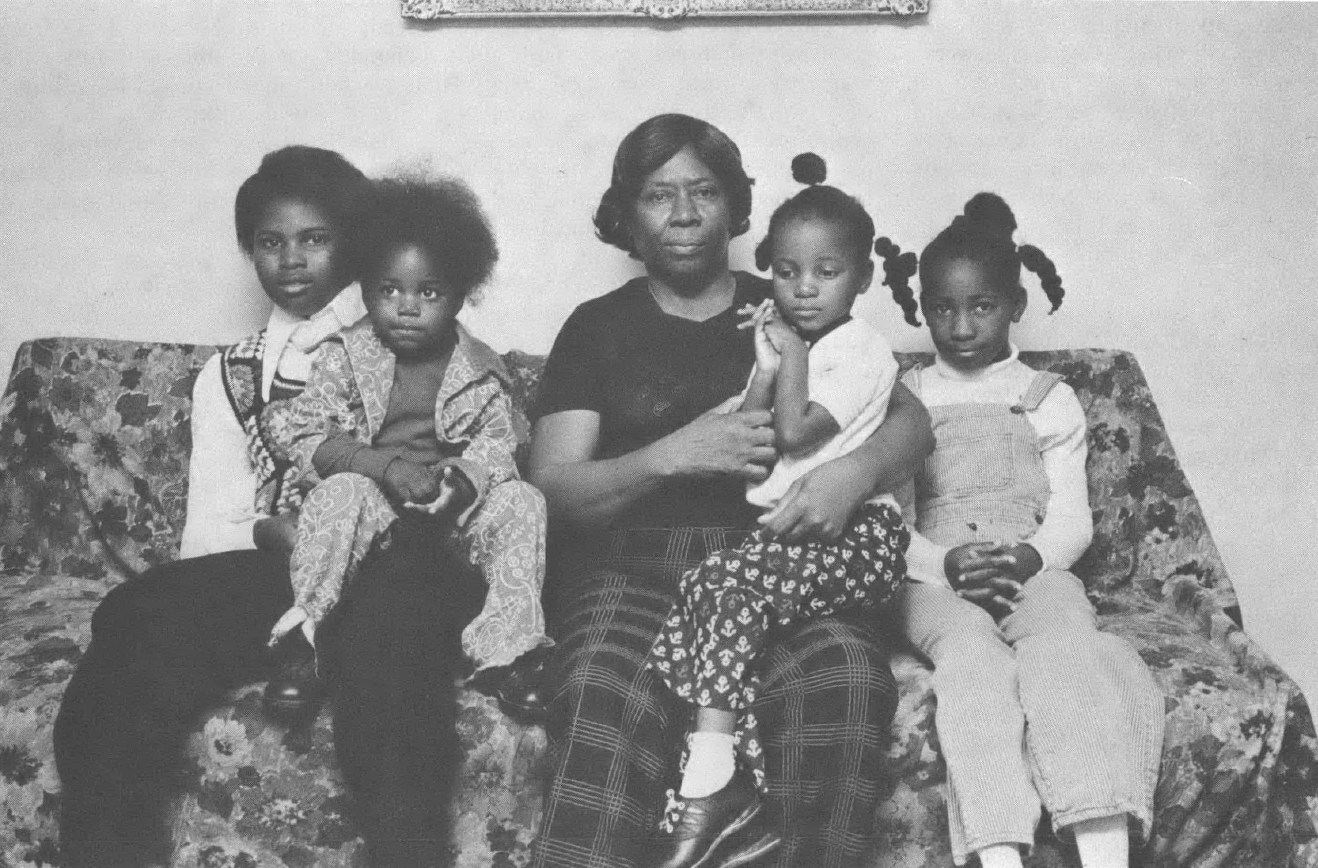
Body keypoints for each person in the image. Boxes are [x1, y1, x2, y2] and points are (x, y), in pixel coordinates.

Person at [52, 146, 483, 868]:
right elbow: (210, 536)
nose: (291, 260)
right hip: (282, 564)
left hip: (403, 565)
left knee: (385, 655)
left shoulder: (415, 329)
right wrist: (281, 533)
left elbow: (477, 472)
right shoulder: (233, 373)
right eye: (270, 242)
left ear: (356, 244)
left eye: (316, 239)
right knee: (135, 614)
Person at [527, 114, 933, 868]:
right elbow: (551, 489)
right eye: (658, 195)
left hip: (781, 563)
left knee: (845, 677)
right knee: (601, 687)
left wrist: (855, 473)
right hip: (634, 568)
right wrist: (667, 458)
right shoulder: (595, 328)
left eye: (703, 192)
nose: (683, 214)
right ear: (626, 213)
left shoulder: (792, 300)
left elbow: (912, 424)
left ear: (736, 207)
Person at [644, 156, 911, 868]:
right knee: (704, 589)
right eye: (788, 273)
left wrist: (788, 351)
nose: (804, 290)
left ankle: (712, 782)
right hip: (796, 534)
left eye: (826, 273)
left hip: (858, 539)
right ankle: (730, 781)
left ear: (862, 277)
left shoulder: (861, 351)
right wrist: (764, 367)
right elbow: (757, 442)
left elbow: (797, 434)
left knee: (727, 591)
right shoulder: (804, 347)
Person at [886, 193, 1164, 868]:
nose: (960, 325)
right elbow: (890, 522)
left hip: (1029, 565)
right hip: (935, 571)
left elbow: (1072, 519)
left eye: (980, 306)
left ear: (1015, 305)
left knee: (1067, 650)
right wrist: (943, 564)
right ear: (921, 307)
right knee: (973, 664)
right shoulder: (905, 398)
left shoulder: (1049, 396)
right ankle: (1000, 852)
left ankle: (1104, 849)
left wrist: (1030, 557)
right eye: (943, 308)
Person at [267, 173, 552, 717]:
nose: (406, 307)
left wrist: (459, 483)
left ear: (460, 295)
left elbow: (499, 447)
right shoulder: (343, 357)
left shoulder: (482, 369)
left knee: (524, 501)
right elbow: (306, 436)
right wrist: (383, 467)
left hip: (449, 528)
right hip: (373, 521)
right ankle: (304, 643)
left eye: (429, 292)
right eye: (388, 290)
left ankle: (509, 654)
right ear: (365, 288)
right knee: (342, 490)